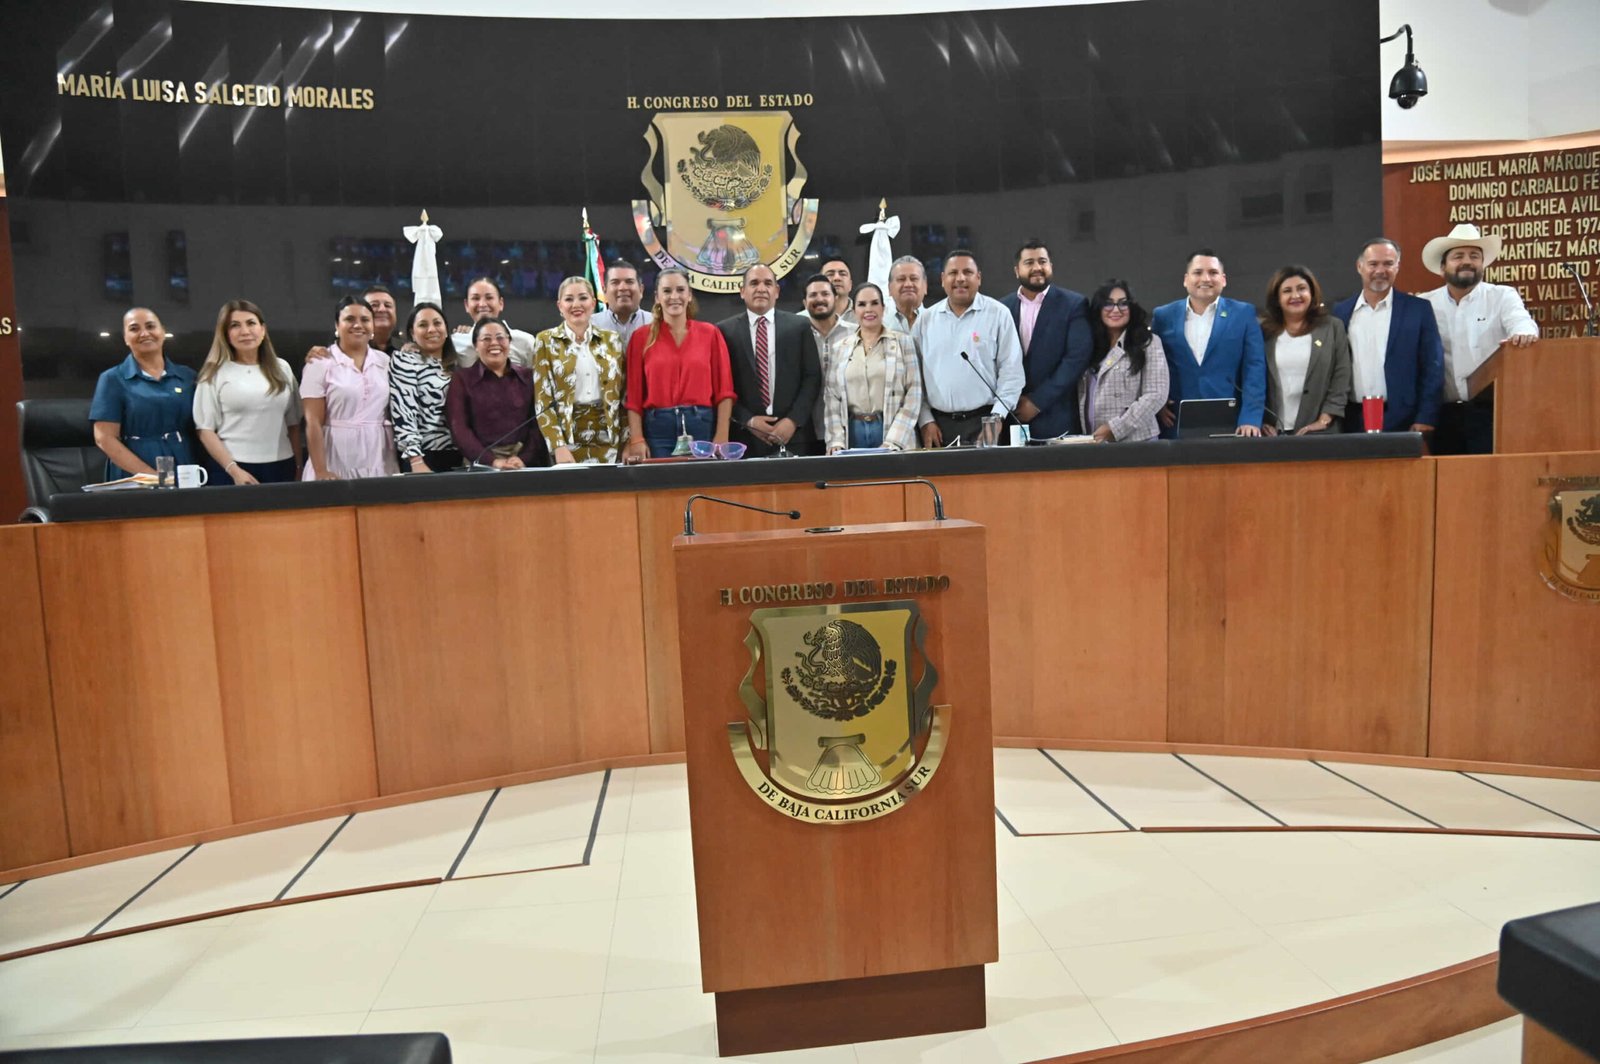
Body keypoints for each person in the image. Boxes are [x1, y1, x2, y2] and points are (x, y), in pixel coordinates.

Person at [1420, 223, 1539, 454]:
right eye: (1458, 256)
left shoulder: (1502, 296)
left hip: (1492, 413)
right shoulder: (1425, 304)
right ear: (1443, 267)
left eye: (1474, 256)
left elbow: (1521, 322)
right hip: (1443, 415)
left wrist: (1523, 333)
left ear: (1482, 264)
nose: (1467, 261)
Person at [1329, 238, 1444, 437]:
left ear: (1397, 267)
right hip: (1351, 419)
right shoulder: (1340, 312)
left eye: (1388, 264)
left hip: (1404, 419)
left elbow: (1432, 366)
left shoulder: (1418, 310)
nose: (1380, 270)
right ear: (1359, 267)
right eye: (1373, 264)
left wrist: (1425, 417)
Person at [913, 249, 1024, 447]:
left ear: (979, 278)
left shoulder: (998, 314)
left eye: (967, 272)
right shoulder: (925, 320)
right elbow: (913, 378)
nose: (960, 279)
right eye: (953, 273)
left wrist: (997, 417)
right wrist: (925, 420)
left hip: (986, 422)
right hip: (938, 426)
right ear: (942, 279)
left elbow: (1012, 373)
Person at [623, 268, 735, 461]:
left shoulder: (710, 334)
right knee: (661, 481)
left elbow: (725, 391)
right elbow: (634, 396)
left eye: (680, 290)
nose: (674, 296)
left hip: (701, 425)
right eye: (667, 291)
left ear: (689, 295)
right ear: (657, 297)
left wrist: (722, 435)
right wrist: (637, 438)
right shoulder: (641, 337)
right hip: (657, 429)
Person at [1151, 248, 1266, 436]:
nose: (1205, 278)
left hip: (1231, 420)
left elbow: (1255, 369)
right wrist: (1157, 405)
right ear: (1186, 279)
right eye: (1198, 272)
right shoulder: (1163, 316)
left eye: (1213, 272)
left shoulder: (1243, 314)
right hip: (1174, 419)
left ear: (1223, 279)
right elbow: (1152, 368)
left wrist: (1250, 418)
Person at [193, 299, 304, 484]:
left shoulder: (282, 368)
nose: (245, 331)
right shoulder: (214, 372)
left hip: (282, 466)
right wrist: (234, 470)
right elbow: (205, 430)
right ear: (225, 334)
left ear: (263, 329)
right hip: (232, 469)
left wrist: (299, 467)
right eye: (235, 325)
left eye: (251, 323)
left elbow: (293, 424)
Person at [718, 263, 822, 456]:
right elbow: (722, 385)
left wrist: (792, 421)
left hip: (795, 437)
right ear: (742, 291)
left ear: (777, 291)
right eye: (754, 283)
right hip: (745, 440)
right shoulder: (724, 331)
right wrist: (748, 421)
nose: (761, 289)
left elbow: (812, 377)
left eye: (767, 283)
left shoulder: (799, 326)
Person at [999, 239, 1093, 438]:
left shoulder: (1073, 304)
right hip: (1011, 419)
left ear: (1051, 266)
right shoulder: (1002, 308)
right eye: (1029, 262)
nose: (1037, 268)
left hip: (1056, 417)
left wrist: (1038, 402)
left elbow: (1076, 359)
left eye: (1042, 261)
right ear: (1016, 270)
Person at [90, 307, 197, 479]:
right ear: (125, 338)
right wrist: (152, 476)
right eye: (134, 329)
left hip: (183, 460)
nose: (144, 333)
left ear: (163, 332)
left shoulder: (187, 376)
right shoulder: (112, 379)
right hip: (136, 466)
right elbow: (104, 438)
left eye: (150, 326)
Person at [301, 297, 400, 481]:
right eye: (349, 319)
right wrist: (321, 470)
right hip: (335, 456)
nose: (358, 325)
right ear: (337, 325)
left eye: (365, 319)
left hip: (379, 455)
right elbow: (313, 422)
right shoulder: (319, 363)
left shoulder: (385, 362)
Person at [530, 277, 626, 463]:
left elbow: (624, 395)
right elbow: (543, 400)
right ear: (560, 306)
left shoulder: (612, 340)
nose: (576, 304)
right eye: (569, 299)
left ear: (593, 303)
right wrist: (557, 445)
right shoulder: (545, 341)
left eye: (583, 298)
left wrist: (627, 439)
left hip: (609, 437)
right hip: (567, 438)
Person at [824, 283, 922, 453]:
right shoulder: (840, 348)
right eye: (862, 304)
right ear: (854, 311)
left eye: (874, 303)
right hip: (852, 432)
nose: (868, 309)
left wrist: (893, 441)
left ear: (883, 308)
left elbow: (914, 393)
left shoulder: (903, 342)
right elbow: (832, 398)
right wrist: (836, 440)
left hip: (892, 431)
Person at [1258, 266, 1351, 435]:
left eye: (1302, 289)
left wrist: (1324, 419)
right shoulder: (1262, 332)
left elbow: (1342, 376)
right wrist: (1260, 420)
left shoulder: (1332, 327)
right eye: (1287, 291)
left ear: (1312, 294)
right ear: (1277, 298)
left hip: (1320, 431)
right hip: (1271, 433)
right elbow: (1251, 378)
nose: (1295, 296)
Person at [447, 316, 549, 468]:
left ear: (509, 342)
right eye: (486, 339)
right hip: (480, 465)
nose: (494, 343)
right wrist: (492, 461)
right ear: (475, 346)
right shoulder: (462, 379)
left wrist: (524, 458)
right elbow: (459, 428)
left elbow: (539, 423)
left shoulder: (529, 377)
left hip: (525, 463)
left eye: (500, 337)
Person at [1079, 281, 1169, 442]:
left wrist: (1116, 429)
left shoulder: (1148, 342)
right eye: (1108, 304)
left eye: (1123, 303)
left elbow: (1156, 395)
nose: (1116, 310)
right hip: (1094, 440)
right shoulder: (1089, 345)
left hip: (1137, 441)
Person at [389, 302, 461, 473]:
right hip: (424, 456)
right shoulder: (405, 361)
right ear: (412, 333)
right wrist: (415, 460)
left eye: (437, 323)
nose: (431, 329)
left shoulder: (457, 364)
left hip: (459, 455)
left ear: (446, 330)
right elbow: (403, 411)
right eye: (423, 325)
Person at [803, 272, 857, 447]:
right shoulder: (797, 333)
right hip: (806, 429)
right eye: (813, 295)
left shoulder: (856, 333)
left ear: (835, 298)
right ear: (804, 302)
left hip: (850, 428)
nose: (819, 299)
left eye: (825, 294)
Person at [451, 276, 537, 368]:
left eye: (489, 298)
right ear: (467, 305)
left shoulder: (525, 341)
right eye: (475, 298)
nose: (482, 304)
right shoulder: (456, 343)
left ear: (501, 303)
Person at [592, 259, 652, 350]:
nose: (623, 288)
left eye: (629, 282)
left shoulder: (656, 324)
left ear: (641, 290)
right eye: (615, 282)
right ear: (604, 291)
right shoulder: (591, 326)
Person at [888, 255, 927, 334]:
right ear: (889, 288)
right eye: (901, 279)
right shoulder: (878, 326)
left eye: (914, 279)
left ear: (925, 286)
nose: (908, 284)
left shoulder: (940, 322)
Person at [821, 256, 856, 324]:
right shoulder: (804, 319)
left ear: (850, 284)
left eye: (843, 274)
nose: (837, 278)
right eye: (830, 274)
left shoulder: (864, 315)